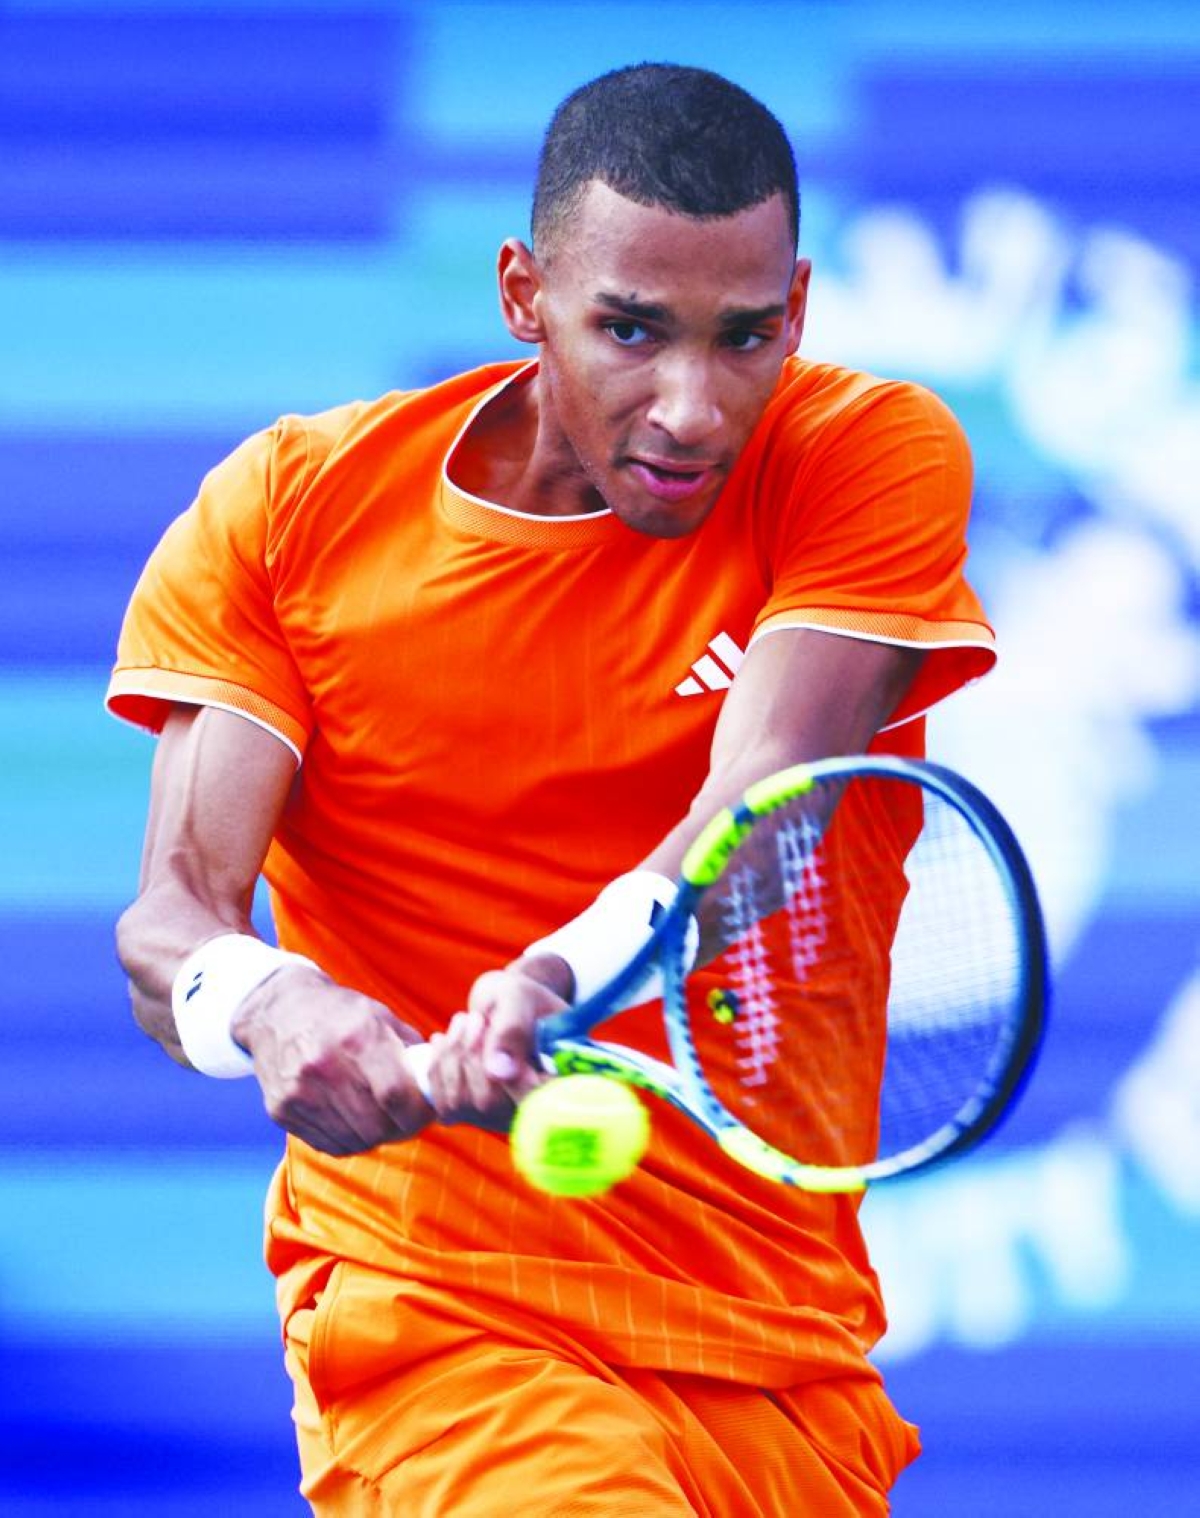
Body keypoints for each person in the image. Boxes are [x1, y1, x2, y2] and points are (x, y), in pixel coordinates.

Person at [110, 63, 995, 1516]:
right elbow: (172, 923)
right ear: (524, 294)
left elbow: (764, 806)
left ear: (801, 308)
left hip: (786, 1358)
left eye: (746, 336)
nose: (695, 406)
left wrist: (552, 974)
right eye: (631, 331)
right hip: (447, 1323)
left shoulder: (863, 453)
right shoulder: (288, 515)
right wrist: (265, 999)